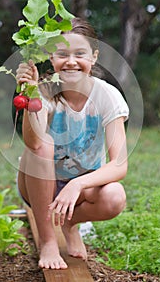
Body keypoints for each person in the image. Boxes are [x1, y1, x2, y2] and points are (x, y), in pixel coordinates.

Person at [16, 17, 129, 270]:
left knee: (114, 196)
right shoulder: (44, 91)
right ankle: (48, 240)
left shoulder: (107, 96)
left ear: (94, 57)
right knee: (43, 143)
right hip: (37, 185)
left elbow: (119, 165)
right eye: (62, 54)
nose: (71, 61)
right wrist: (30, 95)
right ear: (51, 57)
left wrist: (76, 184)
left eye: (80, 53)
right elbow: (32, 143)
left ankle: (68, 222)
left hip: (80, 192)